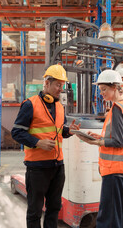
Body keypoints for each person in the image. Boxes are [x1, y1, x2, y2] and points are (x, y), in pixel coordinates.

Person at [11, 64, 80, 228]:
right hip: (38, 168)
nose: (60, 89)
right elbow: (16, 132)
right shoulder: (30, 105)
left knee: (54, 208)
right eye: (57, 85)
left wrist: (68, 131)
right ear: (47, 83)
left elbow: (57, 131)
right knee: (35, 210)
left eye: (62, 86)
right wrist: (37, 142)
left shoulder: (59, 106)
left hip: (57, 166)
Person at [76, 69, 123, 228]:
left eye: (104, 89)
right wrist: (99, 137)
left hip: (114, 172)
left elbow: (118, 141)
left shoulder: (117, 110)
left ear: (115, 87)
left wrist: (96, 143)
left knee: (108, 219)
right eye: (100, 90)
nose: (102, 94)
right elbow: (118, 136)